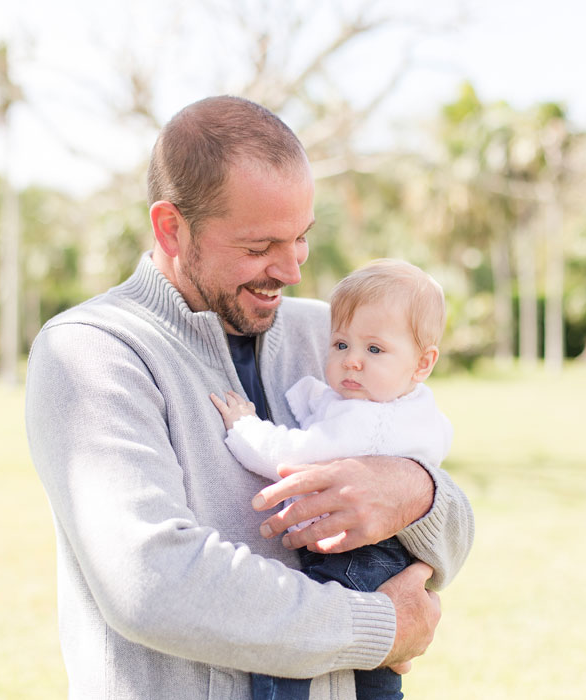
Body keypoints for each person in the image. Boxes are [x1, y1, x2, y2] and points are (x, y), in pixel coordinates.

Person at [24, 95, 474, 700]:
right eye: (260, 247)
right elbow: (150, 582)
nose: (290, 270)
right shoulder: (91, 352)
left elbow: (454, 532)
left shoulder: (333, 338)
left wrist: (412, 491)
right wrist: (376, 627)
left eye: (301, 238)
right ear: (171, 229)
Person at [210, 259, 453, 700]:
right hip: (391, 561)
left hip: (355, 560)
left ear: (422, 363)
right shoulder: (418, 409)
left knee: (290, 651)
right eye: (340, 344)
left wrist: (243, 426)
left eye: (374, 350)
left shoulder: (364, 421)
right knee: (377, 681)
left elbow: (292, 457)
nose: (352, 361)